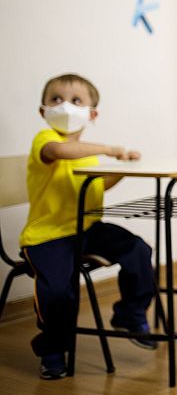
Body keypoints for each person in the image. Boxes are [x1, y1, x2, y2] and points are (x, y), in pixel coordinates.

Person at [20, 73, 156, 380]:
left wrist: (125, 170)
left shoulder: (89, 156)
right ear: (43, 111)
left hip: (87, 230)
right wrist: (109, 149)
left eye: (76, 101)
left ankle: (130, 315)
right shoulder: (46, 141)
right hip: (48, 235)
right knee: (58, 287)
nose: (65, 106)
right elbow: (59, 152)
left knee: (138, 249)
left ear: (92, 114)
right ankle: (53, 349)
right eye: (56, 99)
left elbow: (97, 189)